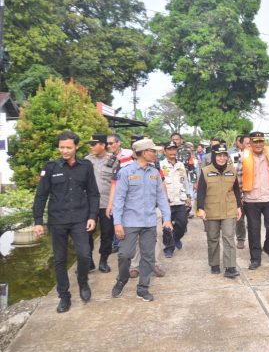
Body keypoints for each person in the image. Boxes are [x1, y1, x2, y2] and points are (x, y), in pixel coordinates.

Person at [32, 131, 99, 313]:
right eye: (62, 147)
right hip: (58, 220)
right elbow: (41, 195)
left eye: (69, 147)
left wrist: (92, 216)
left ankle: (83, 283)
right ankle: (64, 296)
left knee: (84, 255)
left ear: (76, 147)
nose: (65, 151)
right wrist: (38, 221)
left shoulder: (86, 166)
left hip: (80, 219)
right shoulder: (51, 167)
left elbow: (93, 193)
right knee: (60, 260)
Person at [111, 139, 173, 302]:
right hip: (129, 222)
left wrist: (167, 218)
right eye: (153, 151)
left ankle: (143, 288)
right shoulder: (126, 172)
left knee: (148, 256)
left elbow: (161, 197)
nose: (156, 153)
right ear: (144, 152)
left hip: (149, 222)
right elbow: (119, 199)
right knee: (125, 254)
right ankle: (122, 279)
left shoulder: (154, 172)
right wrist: (117, 223)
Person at [196, 142, 242, 278]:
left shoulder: (232, 170)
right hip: (211, 209)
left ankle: (230, 267)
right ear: (213, 156)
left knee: (229, 237)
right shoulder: (205, 171)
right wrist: (200, 209)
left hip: (229, 209)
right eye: (219, 155)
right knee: (212, 238)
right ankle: (214, 264)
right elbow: (201, 192)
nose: (221, 158)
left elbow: (236, 190)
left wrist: (239, 206)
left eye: (224, 155)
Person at [241, 131, 269, 269]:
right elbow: (239, 178)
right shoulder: (244, 156)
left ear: (264, 142)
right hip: (251, 199)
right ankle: (255, 258)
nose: (258, 144)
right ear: (251, 143)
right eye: (255, 141)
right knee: (254, 230)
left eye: (261, 141)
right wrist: (240, 198)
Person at [84, 133, 116, 273]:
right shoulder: (86, 161)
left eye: (94, 144)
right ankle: (89, 261)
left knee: (107, 233)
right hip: (89, 204)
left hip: (106, 203)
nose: (91, 147)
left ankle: (103, 260)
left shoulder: (114, 160)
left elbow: (116, 183)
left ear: (103, 145)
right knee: (86, 233)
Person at [160, 141, 193, 257]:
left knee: (182, 224)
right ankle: (168, 248)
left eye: (174, 149)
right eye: (170, 149)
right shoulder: (160, 165)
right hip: (167, 201)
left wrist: (188, 196)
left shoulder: (181, 165)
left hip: (180, 200)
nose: (172, 151)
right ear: (165, 151)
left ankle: (176, 237)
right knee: (167, 227)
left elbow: (185, 181)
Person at [231, 134, 249, 249]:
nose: (250, 145)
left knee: (253, 220)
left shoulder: (257, 157)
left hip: (254, 193)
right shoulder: (234, 157)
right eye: (247, 143)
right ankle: (241, 239)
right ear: (240, 144)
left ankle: (254, 240)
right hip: (239, 192)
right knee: (240, 218)